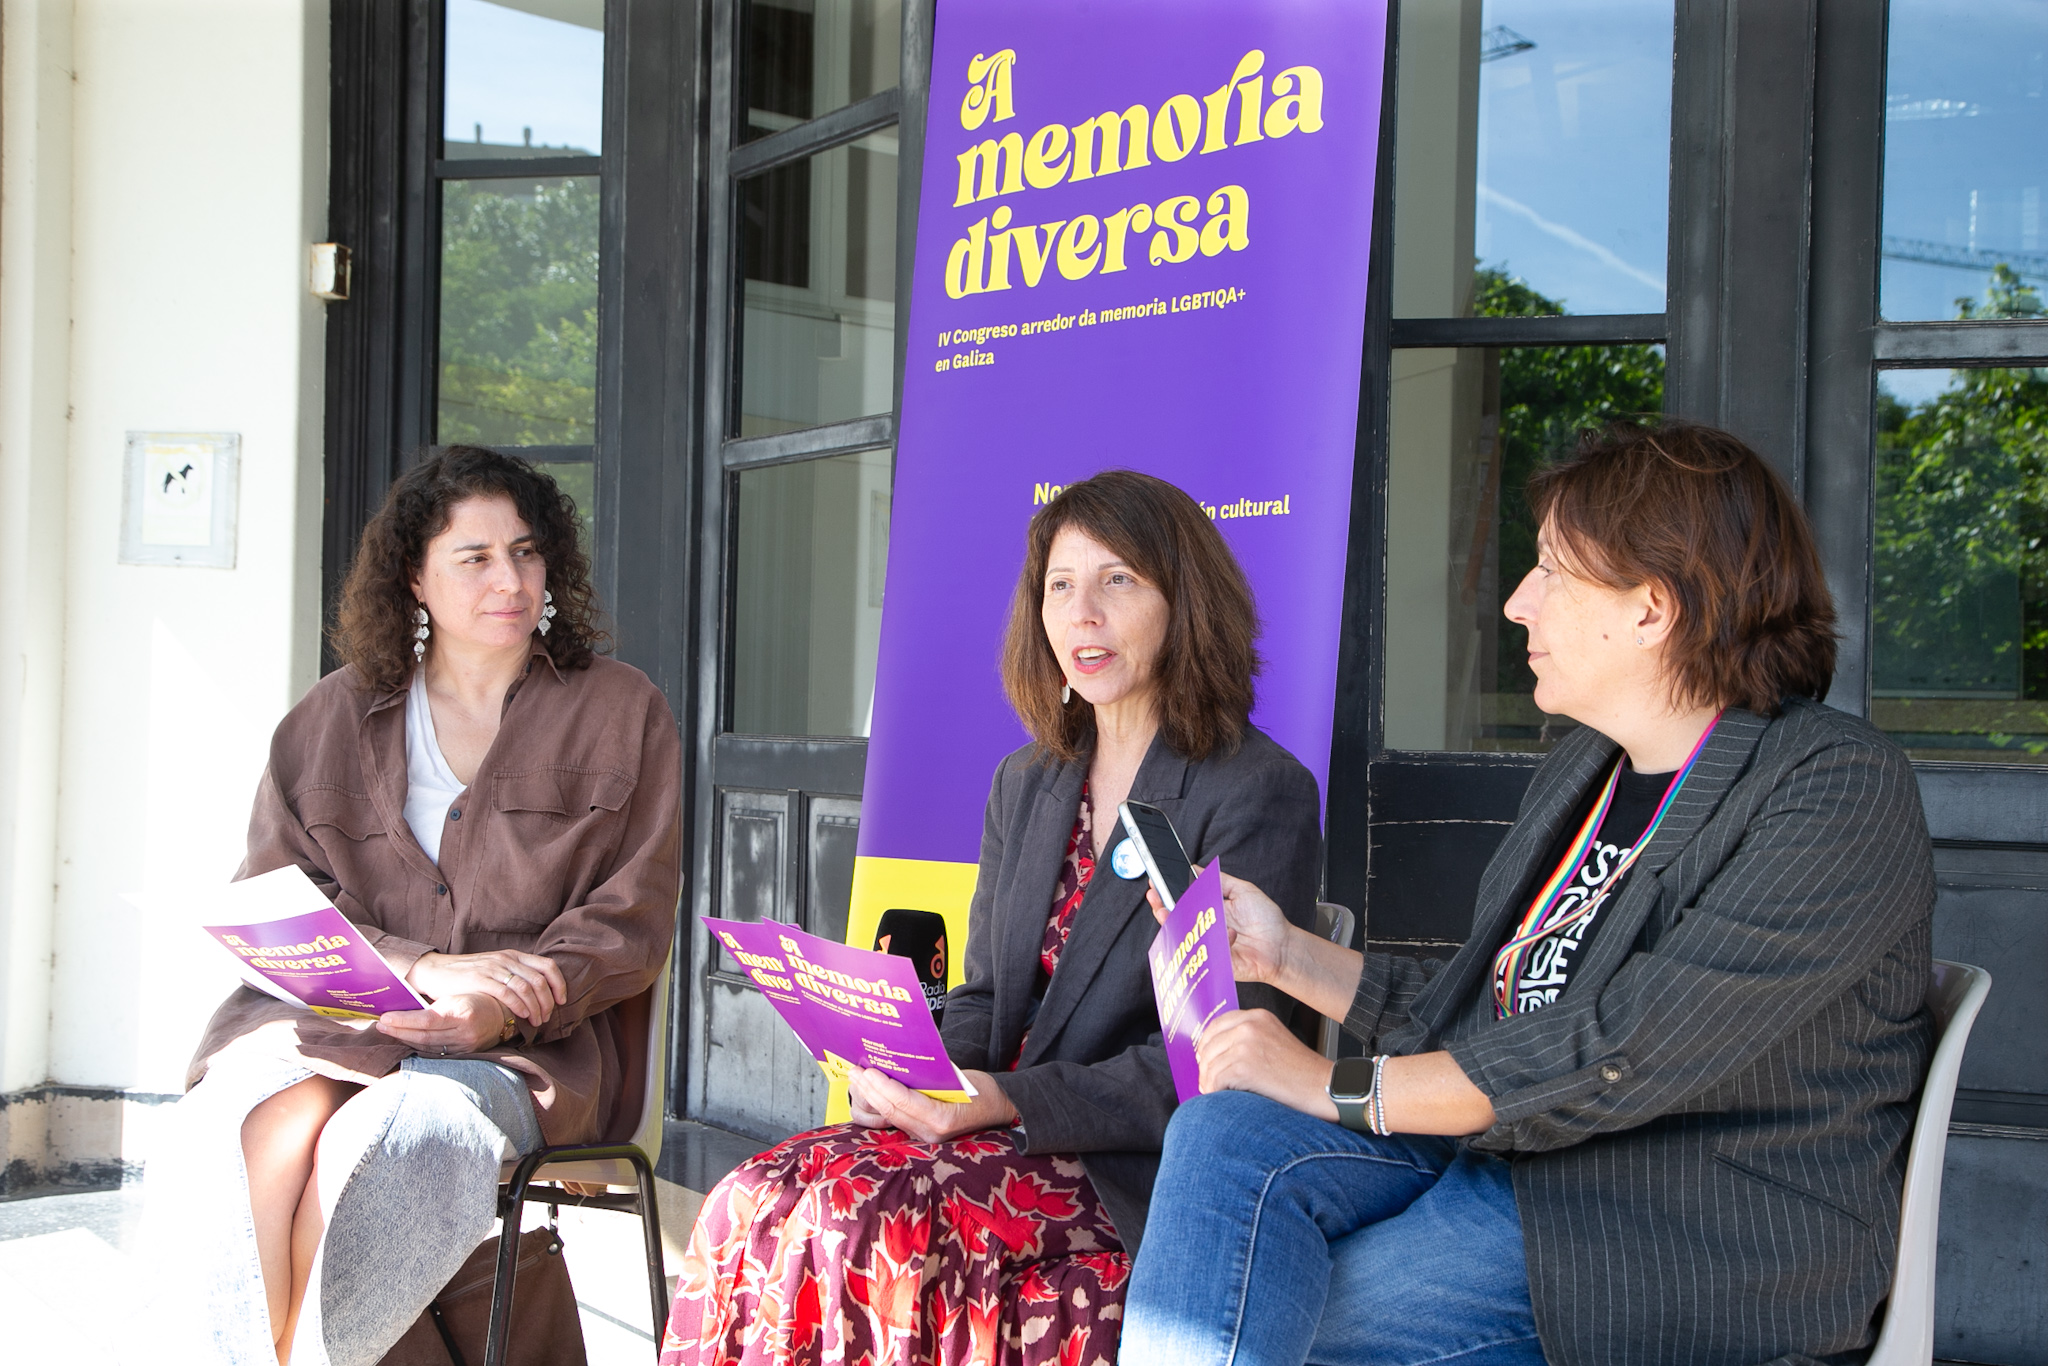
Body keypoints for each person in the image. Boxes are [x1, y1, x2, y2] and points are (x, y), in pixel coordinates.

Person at [1120, 422, 1936, 1366]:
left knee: (1259, 1301)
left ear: (1651, 608)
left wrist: (1327, 1082)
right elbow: (1484, 1021)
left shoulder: (1832, 787)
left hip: (1670, 1225)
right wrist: (1287, 954)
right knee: (1220, 1138)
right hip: (1520, 1160)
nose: (1516, 604)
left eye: (1550, 570)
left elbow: (1619, 1050)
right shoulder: (1586, 772)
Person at [662, 470, 1324, 1366]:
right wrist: (917, 1070)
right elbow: (987, 997)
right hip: (992, 1128)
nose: (1083, 614)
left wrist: (1006, 1098)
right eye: (1060, 586)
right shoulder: (1028, 778)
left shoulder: (1257, 790)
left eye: (1118, 580)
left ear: (1184, 601)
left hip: (1132, 1163)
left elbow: (1222, 1065)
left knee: (862, 1216)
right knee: (755, 1194)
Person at [140, 446, 682, 1366]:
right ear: (414, 578)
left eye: (526, 552)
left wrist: (499, 1005)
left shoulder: (622, 711)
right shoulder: (329, 718)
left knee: (383, 1143)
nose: (509, 580)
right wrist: (418, 967)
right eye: (475, 558)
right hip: (327, 1026)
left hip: (520, 1050)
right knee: (233, 1137)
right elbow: (274, 900)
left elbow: (631, 915)